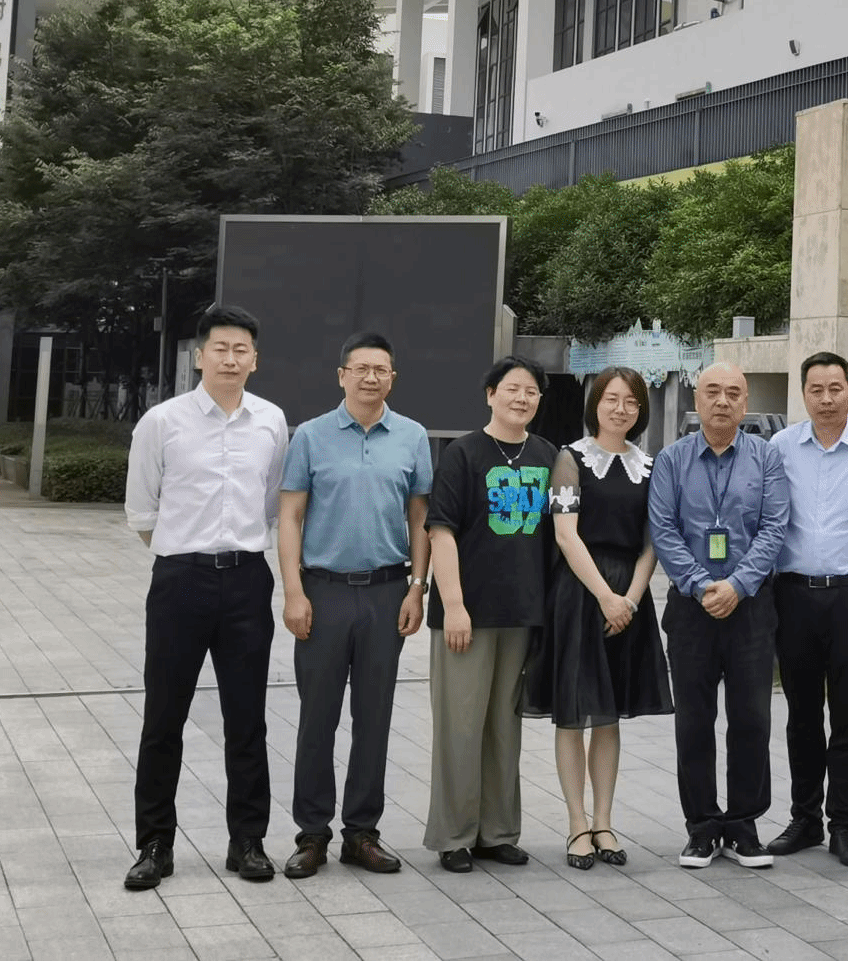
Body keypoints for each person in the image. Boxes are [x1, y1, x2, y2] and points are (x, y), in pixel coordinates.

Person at [122, 305, 290, 890]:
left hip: (246, 581)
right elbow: (142, 512)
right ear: (200, 356)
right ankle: (154, 845)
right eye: (220, 348)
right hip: (179, 582)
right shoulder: (162, 422)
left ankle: (248, 841)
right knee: (163, 718)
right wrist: (186, 554)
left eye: (241, 350)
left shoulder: (272, 422)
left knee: (247, 719)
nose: (230, 359)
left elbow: (272, 504)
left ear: (255, 360)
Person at [275, 332, 431, 879]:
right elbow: (290, 515)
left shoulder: (412, 436)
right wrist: (293, 591)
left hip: (388, 592)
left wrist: (417, 588)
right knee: (317, 717)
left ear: (393, 378)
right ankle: (311, 834)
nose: (371, 377)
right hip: (323, 591)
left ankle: (362, 832)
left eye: (380, 369)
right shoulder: (312, 436)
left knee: (375, 717)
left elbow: (420, 517)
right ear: (341, 375)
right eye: (360, 368)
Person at [649, 363, 790, 870]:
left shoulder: (766, 458)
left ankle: (744, 826)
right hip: (691, 608)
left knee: (751, 717)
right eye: (713, 391)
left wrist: (737, 585)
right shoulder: (671, 460)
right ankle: (703, 827)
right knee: (694, 720)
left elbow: (774, 527)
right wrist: (699, 583)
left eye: (733, 393)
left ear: (745, 403)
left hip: (751, 607)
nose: (723, 401)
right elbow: (663, 529)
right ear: (697, 399)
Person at [422, 355, 557, 873]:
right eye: (512, 388)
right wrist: (454, 605)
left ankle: (497, 832)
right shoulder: (463, 454)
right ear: (490, 394)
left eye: (531, 391)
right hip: (468, 616)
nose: (522, 398)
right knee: (460, 726)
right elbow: (441, 531)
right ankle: (454, 835)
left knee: (505, 725)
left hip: (522, 615)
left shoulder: (548, 455)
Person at [765, 352, 848, 869]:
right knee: (801, 714)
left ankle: (845, 826)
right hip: (793, 594)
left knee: (847, 714)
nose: (826, 399)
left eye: (835, 388)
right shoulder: (780, 447)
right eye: (816, 390)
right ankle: (805, 819)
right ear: (804, 394)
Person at [542, 367, 674, 870]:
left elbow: (652, 542)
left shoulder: (651, 465)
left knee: (610, 713)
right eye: (611, 399)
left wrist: (631, 601)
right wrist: (605, 596)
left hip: (629, 599)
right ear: (595, 403)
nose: (621, 409)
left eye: (631, 401)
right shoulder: (570, 458)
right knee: (575, 711)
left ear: (641, 410)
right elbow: (565, 535)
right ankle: (576, 824)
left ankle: (604, 822)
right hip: (581, 594)